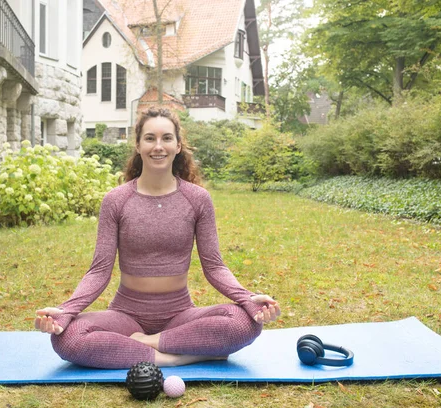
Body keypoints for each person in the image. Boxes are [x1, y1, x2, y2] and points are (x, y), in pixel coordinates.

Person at [34, 106, 280, 369]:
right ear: (138, 145)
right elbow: (99, 271)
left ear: (178, 145)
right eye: (150, 138)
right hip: (126, 315)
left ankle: (147, 343)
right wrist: (66, 312)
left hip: (179, 314)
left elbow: (215, 266)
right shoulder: (116, 200)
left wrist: (247, 299)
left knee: (245, 323)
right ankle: (180, 357)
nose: (158, 146)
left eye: (166, 138)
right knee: (67, 339)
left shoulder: (197, 199)